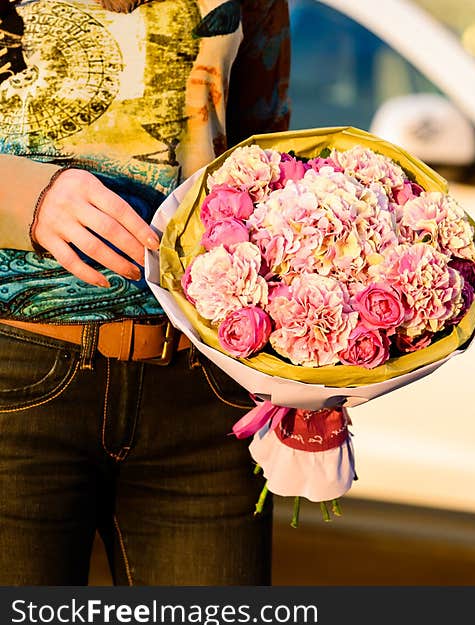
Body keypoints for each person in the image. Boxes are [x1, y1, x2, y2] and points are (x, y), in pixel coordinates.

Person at [0, 0, 290, 585]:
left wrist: (301, 371)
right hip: (17, 379)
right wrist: (22, 194)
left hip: (207, 394)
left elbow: (271, 173)